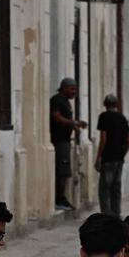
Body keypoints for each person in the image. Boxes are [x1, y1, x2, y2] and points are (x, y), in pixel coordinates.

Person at [50, 78, 89, 211]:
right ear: (64, 88)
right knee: (62, 170)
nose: (74, 92)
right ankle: (59, 198)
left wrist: (76, 126)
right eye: (72, 89)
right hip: (59, 140)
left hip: (65, 140)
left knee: (65, 171)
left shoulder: (66, 102)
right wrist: (73, 123)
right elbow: (56, 117)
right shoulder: (56, 100)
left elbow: (67, 120)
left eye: (75, 89)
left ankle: (62, 197)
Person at [94, 94, 129, 217]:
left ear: (105, 104)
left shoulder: (104, 117)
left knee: (104, 188)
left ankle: (106, 214)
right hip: (119, 158)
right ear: (116, 104)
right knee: (116, 187)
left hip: (108, 157)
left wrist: (98, 157)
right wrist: (123, 153)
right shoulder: (122, 118)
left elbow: (103, 138)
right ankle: (117, 213)